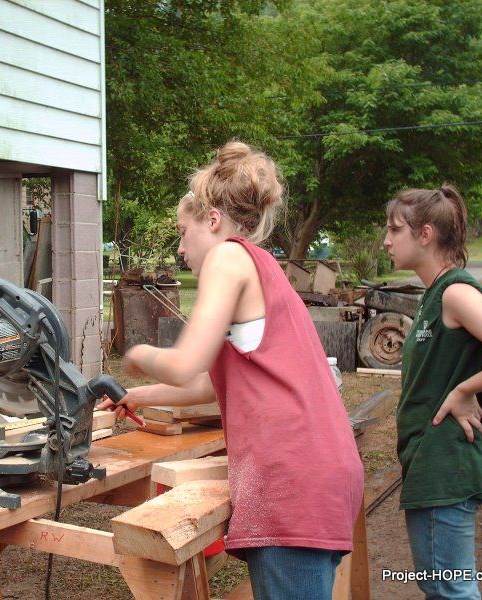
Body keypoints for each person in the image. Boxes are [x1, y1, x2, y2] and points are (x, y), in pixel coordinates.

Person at [100, 141, 363, 600]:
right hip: (317, 475)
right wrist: (139, 394)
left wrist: (137, 352)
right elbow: (207, 382)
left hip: (293, 482)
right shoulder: (262, 266)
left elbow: (186, 363)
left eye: (183, 232)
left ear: (213, 220)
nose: (181, 248)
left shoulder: (228, 256)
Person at [383, 184, 482, 599]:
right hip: (429, 465)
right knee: (442, 587)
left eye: (394, 229)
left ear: (425, 234)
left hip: (447, 465)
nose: (386, 241)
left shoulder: (456, 292)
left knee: (450, 589)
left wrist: (465, 390)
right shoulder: (434, 293)